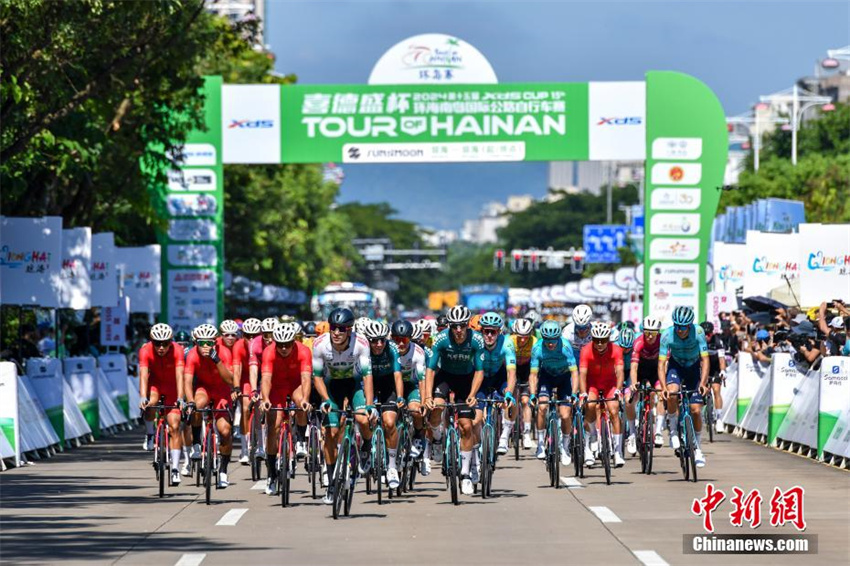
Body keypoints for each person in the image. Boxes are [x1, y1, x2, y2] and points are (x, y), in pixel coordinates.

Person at [312, 308, 373, 505]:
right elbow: (318, 377)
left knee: (363, 419)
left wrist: (370, 405)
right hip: (331, 387)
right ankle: (331, 484)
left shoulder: (361, 344)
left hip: (354, 385)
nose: (336, 333)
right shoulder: (320, 344)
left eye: (341, 329)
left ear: (349, 330)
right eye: (333, 328)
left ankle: (366, 446)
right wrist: (325, 399)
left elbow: (367, 376)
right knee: (330, 433)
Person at [424, 305, 486, 496]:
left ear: (467, 325)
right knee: (436, 408)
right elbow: (431, 370)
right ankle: (436, 438)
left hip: (466, 380)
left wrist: (473, 394)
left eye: (462, 326)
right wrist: (427, 396)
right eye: (454, 326)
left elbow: (479, 371)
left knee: (466, 426)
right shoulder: (441, 339)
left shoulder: (476, 340)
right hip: (445, 377)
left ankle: (466, 474)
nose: (458, 330)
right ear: (449, 326)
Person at [260, 322, 312, 495]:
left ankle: (301, 441)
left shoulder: (304, 351)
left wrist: (305, 399)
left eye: (287, 345)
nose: (283, 348)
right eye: (280, 345)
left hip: (296, 385)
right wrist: (265, 398)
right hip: (276, 387)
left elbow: (305, 379)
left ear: (294, 342)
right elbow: (266, 379)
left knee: (301, 403)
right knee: (273, 427)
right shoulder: (269, 352)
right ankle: (271, 474)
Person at [184, 323, 236, 488]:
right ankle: (197, 444)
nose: (206, 347)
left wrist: (216, 359)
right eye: (201, 343)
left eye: (210, 343)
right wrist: (190, 401)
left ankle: (223, 470)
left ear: (216, 342)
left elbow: (230, 380)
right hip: (204, 388)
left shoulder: (224, 353)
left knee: (225, 432)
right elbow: (187, 381)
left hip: (222, 391)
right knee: (197, 405)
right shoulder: (192, 355)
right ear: (195, 343)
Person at [658, 306, 709, 468]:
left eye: (684, 327)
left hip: (694, 367)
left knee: (695, 410)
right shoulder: (667, 334)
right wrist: (664, 386)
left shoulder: (699, 332)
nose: (680, 330)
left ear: (690, 326)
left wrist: (703, 383)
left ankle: (698, 447)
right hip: (676, 366)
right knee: (672, 393)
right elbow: (661, 364)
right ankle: (673, 430)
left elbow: (705, 360)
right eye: (677, 326)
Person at [138, 323, 185, 485]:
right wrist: (143, 396)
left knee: (174, 425)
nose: (161, 347)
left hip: (173, 387)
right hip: (155, 385)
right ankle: (150, 433)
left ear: (171, 341)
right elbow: (144, 375)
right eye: (157, 343)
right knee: (150, 405)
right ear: (152, 341)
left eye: (165, 343)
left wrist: (180, 397)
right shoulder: (145, 350)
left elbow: (180, 376)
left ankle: (175, 469)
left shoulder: (178, 350)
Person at [530, 320, 578, 466]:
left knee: (565, 415)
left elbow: (574, 373)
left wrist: (574, 393)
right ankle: (540, 444)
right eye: (547, 341)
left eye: (553, 340)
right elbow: (533, 374)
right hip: (547, 377)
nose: (550, 344)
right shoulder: (537, 348)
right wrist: (533, 394)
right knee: (542, 407)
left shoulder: (565, 346)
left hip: (564, 378)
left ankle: (565, 446)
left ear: (558, 338)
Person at [363, 320, 405, 489]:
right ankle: (367, 447)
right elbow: (365, 377)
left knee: (389, 423)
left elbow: (397, 375)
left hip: (388, 386)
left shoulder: (392, 349)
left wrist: (401, 396)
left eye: (382, 340)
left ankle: (392, 466)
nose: (379, 344)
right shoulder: (363, 351)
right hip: (369, 384)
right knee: (366, 419)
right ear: (368, 341)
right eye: (374, 341)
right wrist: (368, 403)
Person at [580, 322, 625, 468]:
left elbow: (619, 372)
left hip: (609, 384)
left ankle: (618, 452)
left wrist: (618, 389)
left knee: (613, 410)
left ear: (608, 339)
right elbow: (582, 375)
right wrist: (583, 393)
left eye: (603, 340)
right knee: (591, 405)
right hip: (592, 384)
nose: (600, 344)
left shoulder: (616, 350)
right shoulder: (586, 350)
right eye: (596, 340)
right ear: (592, 339)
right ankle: (589, 445)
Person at [476, 312, 517, 457]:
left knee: (511, 402)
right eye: (486, 331)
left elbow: (511, 372)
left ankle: (504, 437)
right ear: (481, 331)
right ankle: (479, 442)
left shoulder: (506, 343)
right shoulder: (476, 342)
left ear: (499, 332)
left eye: (493, 332)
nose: (489, 335)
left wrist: (508, 394)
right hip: (480, 378)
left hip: (499, 377)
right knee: (475, 416)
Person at [392, 320, 428, 472]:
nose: (401, 343)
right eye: (397, 339)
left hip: (412, 385)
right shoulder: (389, 350)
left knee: (415, 410)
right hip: (393, 386)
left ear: (410, 338)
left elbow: (422, 380)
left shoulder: (418, 352)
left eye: (405, 339)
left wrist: (424, 402)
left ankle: (418, 436)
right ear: (392, 338)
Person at [630, 316, 665, 447]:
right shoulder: (638, 342)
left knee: (661, 395)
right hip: (641, 370)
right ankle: (633, 430)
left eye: (653, 333)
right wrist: (634, 383)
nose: (650, 336)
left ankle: (658, 431)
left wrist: (664, 385)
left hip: (656, 371)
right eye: (647, 332)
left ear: (658, 332)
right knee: (633, 396)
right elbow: (633, 367)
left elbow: (664, 365)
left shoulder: (662, 341)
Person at [233, 317, 262, 463]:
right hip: (246, 378)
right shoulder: (238, 346)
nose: (251, 339)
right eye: (247, 336)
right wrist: (237, 387)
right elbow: (237, 370)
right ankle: (244, 449)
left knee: (260, 409)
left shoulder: (264, 344)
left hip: (263, 376)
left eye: (254, 335)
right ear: (242, 335)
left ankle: (261, 443)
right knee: (245, 409)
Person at [510, 318, 536, 449]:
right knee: (512, 399)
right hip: (512, 369)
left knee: (525, 401)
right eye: (520, 337)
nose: (522, 340)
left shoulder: (535, 342)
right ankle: (509, 427)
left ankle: (526, 433)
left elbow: (536, 367)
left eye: (526, 337)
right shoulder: (509, 341)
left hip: (527, 370)